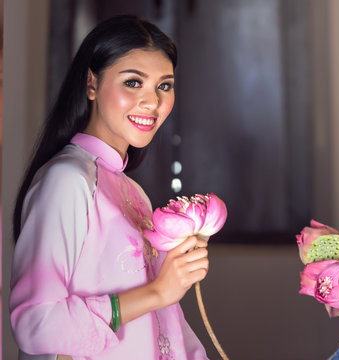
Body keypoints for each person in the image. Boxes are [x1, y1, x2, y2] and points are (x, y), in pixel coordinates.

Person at [10, 15, 210, 359]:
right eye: (134, 82)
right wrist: (159, 292)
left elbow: (164, 327)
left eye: (164, 85)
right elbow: (34, 324)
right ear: (91, 83)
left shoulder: (134, 193)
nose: (152, 102)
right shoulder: (68, 179)